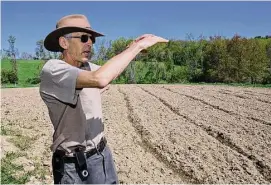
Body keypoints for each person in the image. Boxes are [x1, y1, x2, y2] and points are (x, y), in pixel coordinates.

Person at [40, 14, 168, 184]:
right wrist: (137, 47)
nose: (90, 43)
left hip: (101, 155)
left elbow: (110, 72)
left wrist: (130, 48)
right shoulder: (54, 70)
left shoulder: (87, 68)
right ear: (64, 43)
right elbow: (100, 79)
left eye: (91, 39)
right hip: (72, 166)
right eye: (84, 37)